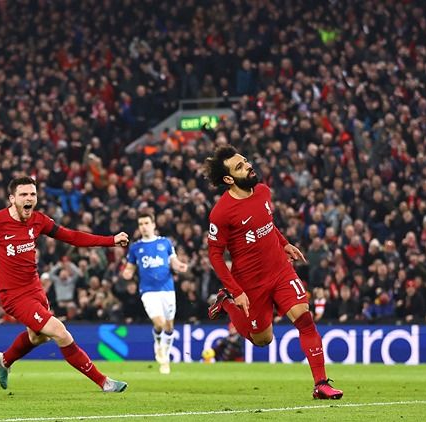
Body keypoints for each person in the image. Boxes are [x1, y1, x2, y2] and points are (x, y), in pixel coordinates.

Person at [0, 176, 129, 392]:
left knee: (38, 337)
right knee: (60, 332)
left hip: (35, 290)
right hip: (14, 296)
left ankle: (5, 361)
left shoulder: (38, 220)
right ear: (12, 198)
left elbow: (71, 236)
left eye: (32, 194)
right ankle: (104, 382)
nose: (29, 198)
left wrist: (110, 240)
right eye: (23, 194)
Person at [204, 145, 343, 400]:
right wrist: (236, 290)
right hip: (250, 282)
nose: (248, 166)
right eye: (239, 167)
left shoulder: (263, 191)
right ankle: (226, 302)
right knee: (262, 340)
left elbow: (267, 223)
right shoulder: (221, 213)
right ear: (228, 179)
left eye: (245, 161)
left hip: (280, 270)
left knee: (305, 318)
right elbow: (214, 255)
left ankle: (321, 384)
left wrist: (284, 242)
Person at [121, 212, 188, 374]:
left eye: (146, 223)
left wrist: (180, 266)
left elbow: (174, 261)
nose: (143, 226)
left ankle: (164, 351)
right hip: (148, 291)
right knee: (159, 323)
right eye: (141, 224)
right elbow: (129, 268)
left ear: (153, 224)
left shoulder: (165, 243)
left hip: (168, 289)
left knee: (170, 327)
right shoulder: (136, 247)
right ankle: (161, 350)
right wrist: (127, 274)